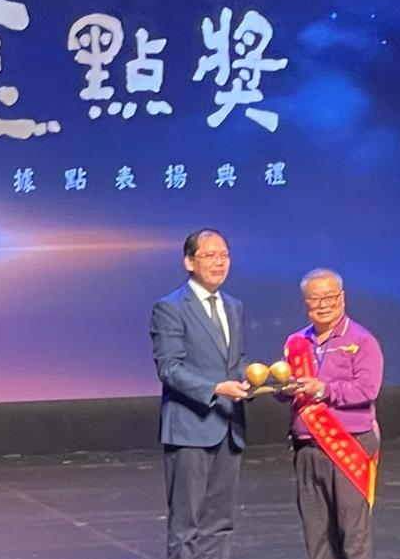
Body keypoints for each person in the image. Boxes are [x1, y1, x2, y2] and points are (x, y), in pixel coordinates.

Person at [149, 228, 248, 559]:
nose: (219, 262)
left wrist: (251, 379)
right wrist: (215, 388)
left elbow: (235, 360)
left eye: (224, 255)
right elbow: (169, 368)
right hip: (190, 428)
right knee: (186, 524)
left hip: (229, 426)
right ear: (189, 262)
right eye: (210, 255)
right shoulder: (170, 307)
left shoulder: (233, 306)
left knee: (221, 522)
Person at [281, 268, 383, 559]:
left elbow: (367, 390)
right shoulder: (296, 343)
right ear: (306, 302)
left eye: (330, 297)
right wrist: (280, 388)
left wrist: (323, 390)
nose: (323, 305)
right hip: (307, 450)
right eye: (315, 299)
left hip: (348, 445)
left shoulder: (362, 341)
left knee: (353, 536)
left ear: (342, 298)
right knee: (317, 539)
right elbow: (290, 389)